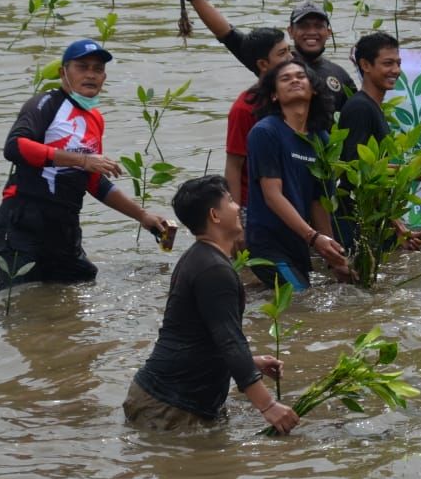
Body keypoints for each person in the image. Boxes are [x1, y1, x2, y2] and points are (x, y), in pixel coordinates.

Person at [0, 39, 170, 293]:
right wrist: (83, 160)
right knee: (16, 299)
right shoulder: (45, 104)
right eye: (82, 67)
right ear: (64, 72)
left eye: (97, 69)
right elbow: (15, 147)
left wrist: (142, 215)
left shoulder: (95, 119)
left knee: (78, 287)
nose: (90, 75)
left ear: (104, 77)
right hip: (24, 219)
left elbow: (93, 181)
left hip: (64, 225)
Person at [123, 175, 299, 433]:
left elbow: (202, 335)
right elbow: (229, 340)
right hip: (168, 405)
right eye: (229, 201)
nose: (238, 206)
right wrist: (268, 405)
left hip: (165, 398)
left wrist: (250, 362)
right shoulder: (213, 270)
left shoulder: (199, 258)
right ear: (215, 216)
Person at [171, 0, 356, 112]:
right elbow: (227, 33)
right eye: (304, 26)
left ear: (328, 32)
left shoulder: (339, 75)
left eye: (318, 26)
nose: (311, 32)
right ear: (290, 32)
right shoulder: (275, 62)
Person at [245, 59, 349, 291]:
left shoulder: (320, 139)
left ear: (313, 90)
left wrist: (333, 255)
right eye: (285, 78)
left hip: (299, 243)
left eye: (301, 77)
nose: (294, 80)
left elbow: (318, 203)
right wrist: (313, 238)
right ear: (274, 95)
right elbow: (272, 195)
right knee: (302, 300)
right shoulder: (265, 132)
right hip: (268, 244)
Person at [337, 31, 421, 251]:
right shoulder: (360, 108)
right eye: (387, 63)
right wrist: (411, 171)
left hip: (374, 218)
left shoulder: (373, 107)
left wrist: (398, 226)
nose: (396, 70)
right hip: (357, 221)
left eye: (398, 63)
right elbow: (355, 171)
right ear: (365, 65)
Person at [225, 28, 293, 207]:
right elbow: (234, 166)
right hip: (256, 204)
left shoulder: (297, 98)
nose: (291, 58)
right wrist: (238, 217)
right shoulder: (244, 108)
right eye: (282, 53)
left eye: (289, 50)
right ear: (263, 64)